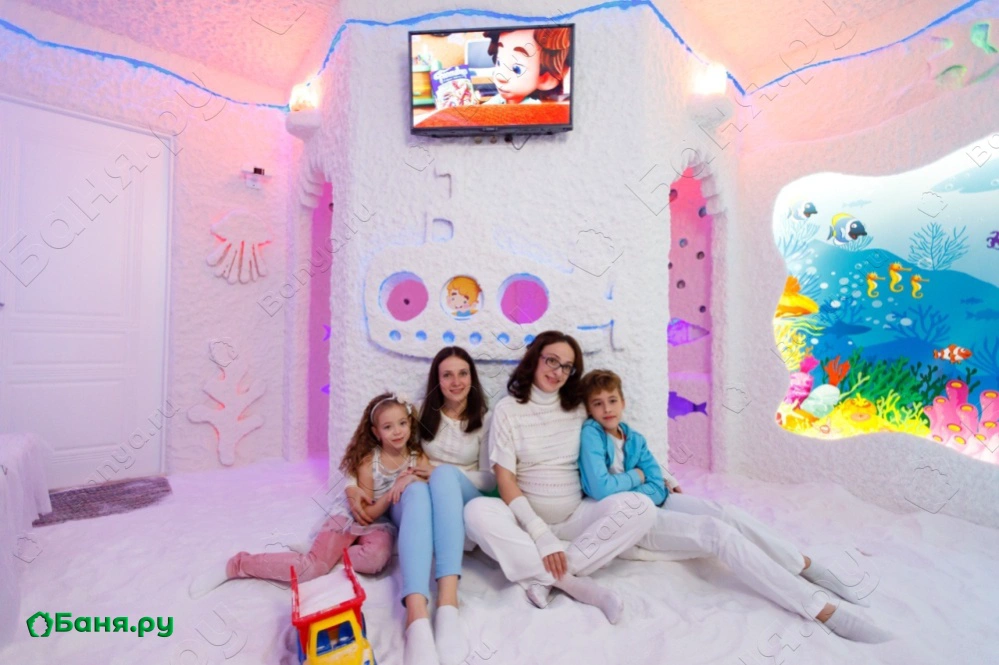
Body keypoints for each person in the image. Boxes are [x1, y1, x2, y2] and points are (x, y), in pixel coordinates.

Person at [577, 369, 894, 643]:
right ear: (589, 409)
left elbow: (656, 479)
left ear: (623, 402)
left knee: (726, 513)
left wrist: (647, 481)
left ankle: (804, 565)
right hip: (637, 517)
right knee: (717, 533)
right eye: (598, 403)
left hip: (661, 500)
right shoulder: (591, 434)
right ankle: (819, 608)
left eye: (612, 400)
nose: (607, 408)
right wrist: (639, 477)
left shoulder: (633, 437)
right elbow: (601, 487)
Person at [463, 331, 656, 624]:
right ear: (534, 359)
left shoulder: (578, 408)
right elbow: (504, 480)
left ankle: (549, 575)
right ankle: (576, 585)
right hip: (525, 523)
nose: (558, 372)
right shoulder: (508, 410)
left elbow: (618, 433)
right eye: (552, 361)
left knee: (641, 507)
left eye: (567, 366)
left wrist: (661, 475)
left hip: (575, 516)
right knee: (475, 512)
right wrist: (540, 534)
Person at [417, 346, 495, 665]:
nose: (456, 382)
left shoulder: (485, 420)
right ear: (437, 381)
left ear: (472, 378)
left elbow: (490, 479)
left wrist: (441, 472)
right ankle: (418, 614)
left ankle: (448, 602)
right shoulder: (422, 414)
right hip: (433, 497)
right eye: (447, 375)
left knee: (445, 476)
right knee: (419, 494)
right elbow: (403, 454)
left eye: (463, 373)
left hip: (467, 496)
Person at [483, 27, 571, 105]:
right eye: (499, 62)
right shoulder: (499, 99)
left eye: (516, 69)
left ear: (546, 78)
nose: (499, 76)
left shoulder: (532, 107)